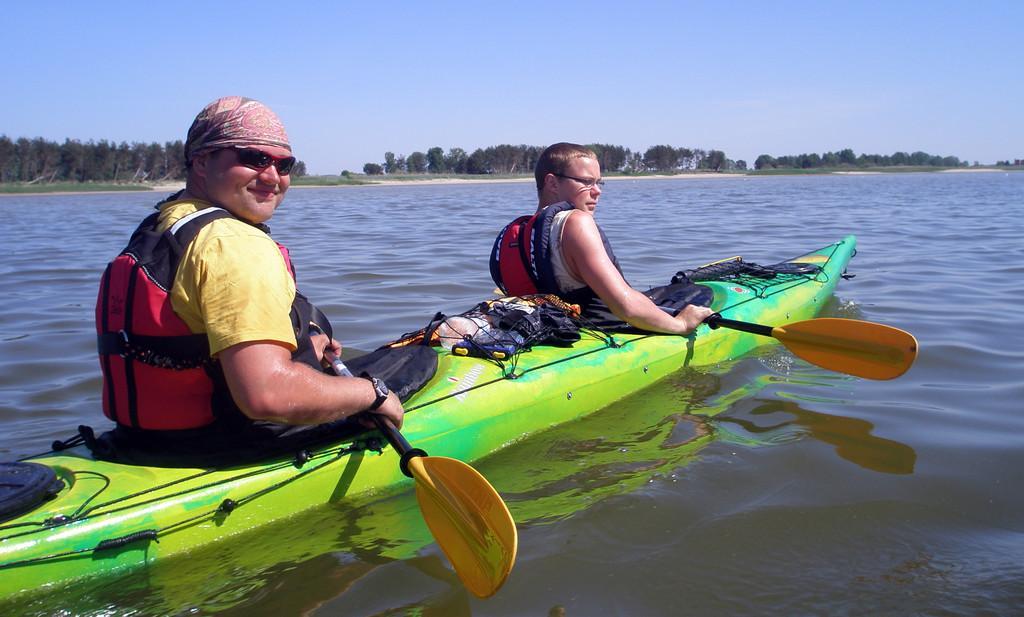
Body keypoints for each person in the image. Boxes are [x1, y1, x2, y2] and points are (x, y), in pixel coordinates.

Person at [95, 96, 402, 462]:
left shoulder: (166, 224)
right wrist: (374, 395)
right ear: (202, 160)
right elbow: (267, 393)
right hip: (230, 445)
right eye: (253, 159)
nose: (272, 176)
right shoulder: (234, 244)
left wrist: (305, 344)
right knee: (415, 364)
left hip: (142, 444)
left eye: (284, 164)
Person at [490, 142, 714, 335]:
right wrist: (681, 324)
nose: (597, 191)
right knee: (699, 292)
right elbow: (626, 307)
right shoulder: (576, 222)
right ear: (552, 183)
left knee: (672, 291)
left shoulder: (515, 234)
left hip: (555, 323)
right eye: (586, 182)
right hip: (603, 325)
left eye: (599, 182)